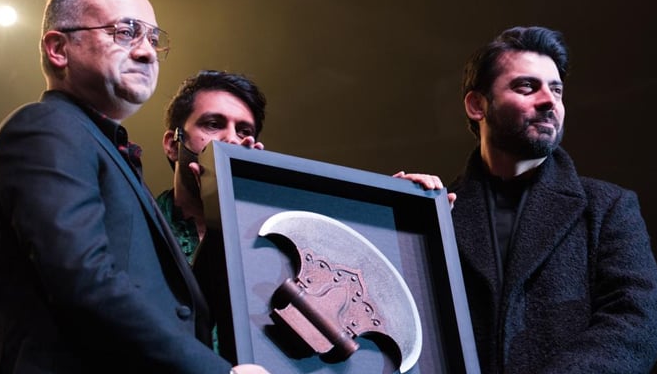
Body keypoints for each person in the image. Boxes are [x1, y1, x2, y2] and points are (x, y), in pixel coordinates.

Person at [0, 0, 267, 373]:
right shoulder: (46, 126)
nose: (146, 53)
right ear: (58, 49)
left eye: (153, 39)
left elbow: (183, 309)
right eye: (125, 32)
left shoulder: (108, 151)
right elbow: (82, 280)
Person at [157, 69, 455, 361]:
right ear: (173, 144)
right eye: (213, 124)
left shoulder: (278, 238)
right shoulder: (141, 228)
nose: (231, 139)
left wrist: (396, 226)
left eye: (244, 130)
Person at [449, 26, 657, 373]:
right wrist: (400, 221)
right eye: (527, 86)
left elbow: (635, 324)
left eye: (557, 89)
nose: (549, 100)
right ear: (477, 105)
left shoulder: (608, 207)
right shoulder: (442, 210)